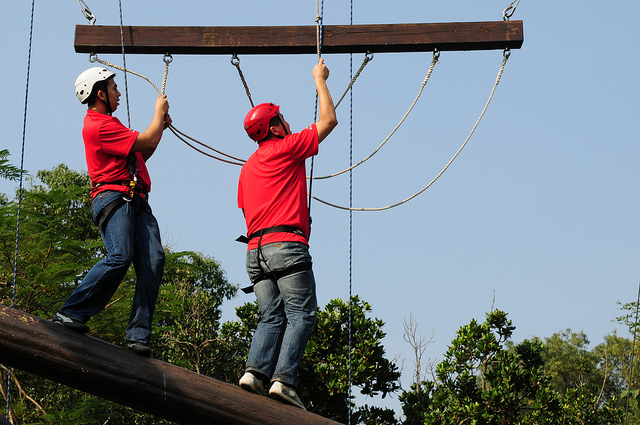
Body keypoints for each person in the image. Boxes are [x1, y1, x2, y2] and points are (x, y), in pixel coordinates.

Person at [237, 58, 338, 409]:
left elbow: (248, 211)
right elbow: (328, 121)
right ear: (275, 127)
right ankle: (284, 380)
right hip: (286, 246)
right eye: (281, 118)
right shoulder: (286, 148)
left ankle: (255, 372)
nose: (287, 121)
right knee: (302, 314)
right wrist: (319, 79)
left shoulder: (248, 167)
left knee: (272, 315)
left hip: (254, 252)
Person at [52, 67, 171, 357]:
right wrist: (158, 113)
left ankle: (138, 335)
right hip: (114, 197)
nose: (119, 93)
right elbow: (144, 141)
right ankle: (71, 312)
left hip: (135, 199)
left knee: (153, 260)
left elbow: (143, 149)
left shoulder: (111, 124)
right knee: (120, 256)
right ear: (100, 93)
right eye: (114, 88)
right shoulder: (98, 125)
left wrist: (159, 127)